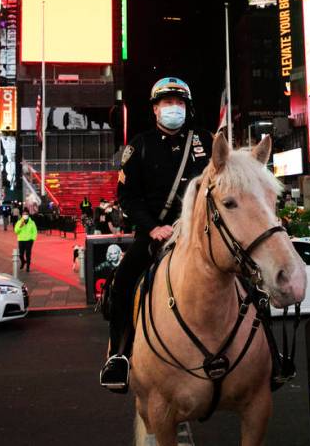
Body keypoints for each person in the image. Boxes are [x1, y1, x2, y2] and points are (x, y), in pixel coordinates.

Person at [99, 76, 214, 392]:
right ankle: (118, 355)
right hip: (155, 235)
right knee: (123, 282)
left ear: (187, 107)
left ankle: (269, 355)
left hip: (199, 233)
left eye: (179, 103)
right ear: (155, 108)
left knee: (245, 275)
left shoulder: (206, 140)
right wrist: (152, 227)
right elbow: (127, 196)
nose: (173, 108)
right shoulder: (140, 146)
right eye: (167, 103)